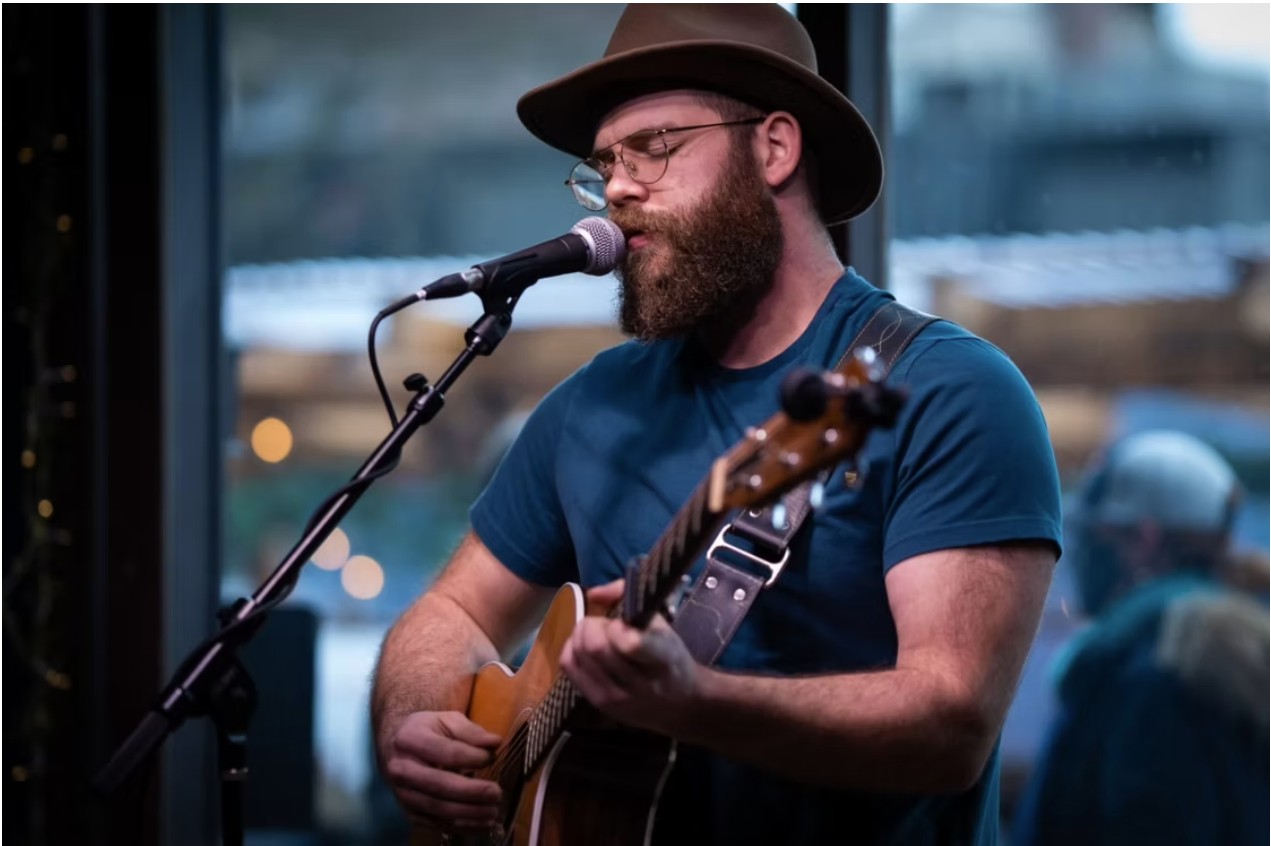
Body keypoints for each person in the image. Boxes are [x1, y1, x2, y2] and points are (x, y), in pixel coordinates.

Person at [371, 5, 1062, 843]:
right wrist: (418, 721)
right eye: (604, 166)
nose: (618, 190)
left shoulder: (947, 390)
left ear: (773, 148)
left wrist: (696, 702)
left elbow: (950, 726)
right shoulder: (593, 404)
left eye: (654, 147)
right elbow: (450, 613)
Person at [1012, 430, 1269, 846]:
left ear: (1145, 539)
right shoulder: (1224, 657)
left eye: (1099, 536)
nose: (1086, 553)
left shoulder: (1153, 675)